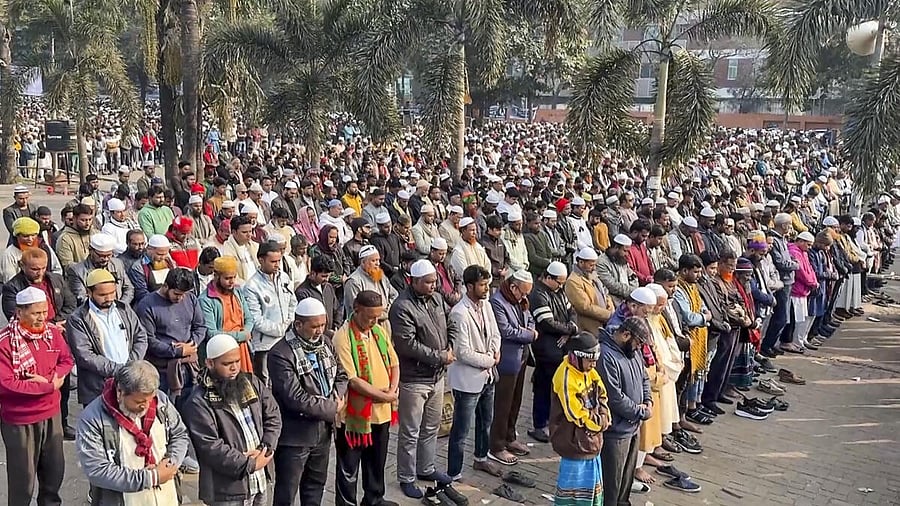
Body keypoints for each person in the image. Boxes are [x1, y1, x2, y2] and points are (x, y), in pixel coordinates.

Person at [389, 259, 463, 500]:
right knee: (410, 431)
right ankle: (406, 477)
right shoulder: (402, 307)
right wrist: (439, 356)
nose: (434, 286)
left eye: (435, 281)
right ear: (414, 281)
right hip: (415, 378)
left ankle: (426, 467)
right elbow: (406, 344)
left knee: (431, 427)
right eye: (429, 282)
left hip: (437, 376)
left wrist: (450, 346)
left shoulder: (437, 298)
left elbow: (450, 323)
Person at [182, 334, 283, 506]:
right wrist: (249, 464)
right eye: (227, 364)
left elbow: (273, 415)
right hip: (227, 491)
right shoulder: (199, 401)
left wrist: (266, 447)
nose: (234, 368)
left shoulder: (251, 382)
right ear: (210, 363)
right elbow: (211, 447)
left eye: (237, 361)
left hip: (260, 480)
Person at [267, 297, 349, 506]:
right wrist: (332, 407)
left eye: (323, 325)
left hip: (322, 433)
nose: (320, 330)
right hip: (295, 437)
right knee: (287, 492)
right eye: (314, 326)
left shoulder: (326, 344)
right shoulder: (281, 353)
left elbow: (341, 376)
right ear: (298, 324)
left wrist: (335, 398)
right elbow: (295, 398)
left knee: (315, 486)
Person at [75, 360, 188, 506]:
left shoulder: (160, 400)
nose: (145, 406)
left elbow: (179, 434)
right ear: (120, 392)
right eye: (139, 401)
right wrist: (151, 477)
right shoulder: (92, 419)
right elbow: (97, 470)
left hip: (166, 496)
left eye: (149, 400)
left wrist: (171, 462)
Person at [0, 287, 73, 506]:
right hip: (20, 420)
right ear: (19, 312)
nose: (41, 318)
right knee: (23, 481)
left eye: (44, 312)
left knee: (54, 472)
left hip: (51, 414)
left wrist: (55, 378)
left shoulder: (51, 333)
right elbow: (6, 383)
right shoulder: (5, 342)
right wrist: (48, 387)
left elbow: (66, 360)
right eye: (35, 313)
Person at [332, 291, 400, 506]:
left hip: (381, 412)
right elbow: (352, 380)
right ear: (356, 308)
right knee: (348, 467)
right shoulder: (342, 337)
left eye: (377, 317)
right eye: (369, 316)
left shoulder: (378, 331)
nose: (373, 321)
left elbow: (394, 363)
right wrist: (385, 396)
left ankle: (374, 499)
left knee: (377, 461)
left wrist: (392, 390)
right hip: (354, 415)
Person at [447, 265, 503, 479]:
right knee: (461, 430)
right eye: (482, 285)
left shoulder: (486, 305)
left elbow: (495, 333)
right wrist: (490, 359)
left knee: (485, 422)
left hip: (487, 377)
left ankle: (481, 458)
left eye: (487, 284)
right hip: (468, 379)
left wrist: (495, 350)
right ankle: (454, 472)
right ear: (469, 286)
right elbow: (462, 352)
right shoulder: (459, 313)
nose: (486, 289)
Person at [66, 269, 148, 406]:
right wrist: (119, 370)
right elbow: (85, 356)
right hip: (98, 387)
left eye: (112, 293)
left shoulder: (124, 309)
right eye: (103, 295)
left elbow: (141, 336)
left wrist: (132, 364)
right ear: (89, 292)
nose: (109, 298)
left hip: (129, 382)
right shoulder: (78, 319)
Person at [549, 331, 609, 506]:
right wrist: (600, 423)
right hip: (573, 442)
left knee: (591, 494)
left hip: (591, 440)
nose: (593, 364)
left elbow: (602, 393)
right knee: (572, 496)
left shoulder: (589, 371)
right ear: (577, 358)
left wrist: (604, 414)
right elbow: (575, 413)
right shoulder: (565, 376)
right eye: (590, 360)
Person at [597, 317, 652, 506]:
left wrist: (648, 401)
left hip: (633, 427)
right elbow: (614, 398)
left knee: (625, 482)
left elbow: (645, 379)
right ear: (625, 334)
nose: (638, 348)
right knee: (612, 485)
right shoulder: (606, 355)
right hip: (616, 432)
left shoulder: (633, 351)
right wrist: (640, 411)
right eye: (637, 343)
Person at [135, 268, 207, 405]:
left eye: (184, 294)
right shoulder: (147, 305)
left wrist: (192, 344)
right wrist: (177, 351)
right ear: (166, 286)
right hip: (163, 370)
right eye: (177, 294)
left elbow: (200, 326)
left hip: (190, 366)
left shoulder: (190, 299)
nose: (180, 298)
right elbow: (148, 340)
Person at [486, 269, 535, 466]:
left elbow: (529, 319)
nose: (524, 297)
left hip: (521, 358)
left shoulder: (520, 300)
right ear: (513, 286)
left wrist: (528, 330)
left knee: (516, 402)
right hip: (506, 360)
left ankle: (510, 436)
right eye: (522, 292)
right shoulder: (498, 301)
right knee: (503, 405)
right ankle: (497, 446)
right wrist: (529, 335)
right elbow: (506, 330)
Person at [528, 261, 577, 444]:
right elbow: (547, 322)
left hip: (560, 347)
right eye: (559, 282)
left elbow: (572, 312)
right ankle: (539, 425)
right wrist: (567, 330)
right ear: (548, 278)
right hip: (545, 349)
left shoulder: (559, 291)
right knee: (543, 387)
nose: (561, 286)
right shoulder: (538, 294)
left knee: (555, 388)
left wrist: (569, 329)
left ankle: (551, 420)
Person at [243, 242, 298, 383]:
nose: (277, 265)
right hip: (265, 345)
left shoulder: (284, 278)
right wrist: (279, 329)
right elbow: (256, 319)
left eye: (279, 261)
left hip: (287, 340)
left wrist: (288, 322)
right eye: (273, 261)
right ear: (261, 260)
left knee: (287, 380)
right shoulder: (252, 286)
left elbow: (293, 302)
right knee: (267, 383)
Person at [198, 256, 255, 370]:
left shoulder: (237, 292)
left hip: (242, 349)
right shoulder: (206, 300)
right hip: (222, 354)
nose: (232, 282)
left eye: (234, 277)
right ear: (216, 276)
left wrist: (247, 331)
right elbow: (212, 333)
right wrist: (241, 336)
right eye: (228, 278)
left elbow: (249, 318)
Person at [67, 232, 135, 306]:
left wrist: (121, 305)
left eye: (109, 255)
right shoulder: (77, 271)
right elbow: (81, 297)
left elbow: (129, 288)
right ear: (90, 250)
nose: (105, 259)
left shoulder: (117, 264)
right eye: (101, 255)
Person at [566, 247, 616, 335]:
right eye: (591, 265)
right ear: (581, 262)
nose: (594, 268)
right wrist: (608, 315)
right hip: (589, 328)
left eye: (595, 265)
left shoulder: (593, 275)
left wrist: (610, 308)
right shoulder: (573, 281)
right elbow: (585, 307)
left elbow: (606, 294)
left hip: (604, 324)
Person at [0, 216, 63, 283]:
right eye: (25, 236)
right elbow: (10, 281)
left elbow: (57, 269)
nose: (30, 239)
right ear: (17, 235)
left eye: (33, 235)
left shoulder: (44, 247)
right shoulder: (10, 254)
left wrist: (51, 284)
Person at [343, 245, 398, 320]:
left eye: (378, 260)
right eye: (373, 261)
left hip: (385, 321)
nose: (377, 263)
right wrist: (377, 314)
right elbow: (355, 310)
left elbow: (394, 295)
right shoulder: (353, 282)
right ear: (363, 262)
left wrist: (386, 311)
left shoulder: (381, 276)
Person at [295, 255, 343, 337]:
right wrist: (325, 333)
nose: (327, 279)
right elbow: (308, 320)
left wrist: (336, 326)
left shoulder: (328, 287)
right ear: (313, 273)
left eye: (328, 276)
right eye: (323, 276)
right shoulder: (302, 292)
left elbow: (337, 309)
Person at [55, 203, 95, 269]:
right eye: (83, 220)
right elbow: (68, 265)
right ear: (74, 219)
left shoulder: (95, 234)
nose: (87, 223)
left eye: (90, 219)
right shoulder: (65, 239)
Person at [222, 215, 260, 284]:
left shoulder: (255, 246)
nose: (249, 235)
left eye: (250, 231)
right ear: (234, 232)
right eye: (244, 232)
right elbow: (232, 278)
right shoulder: (227, 251)